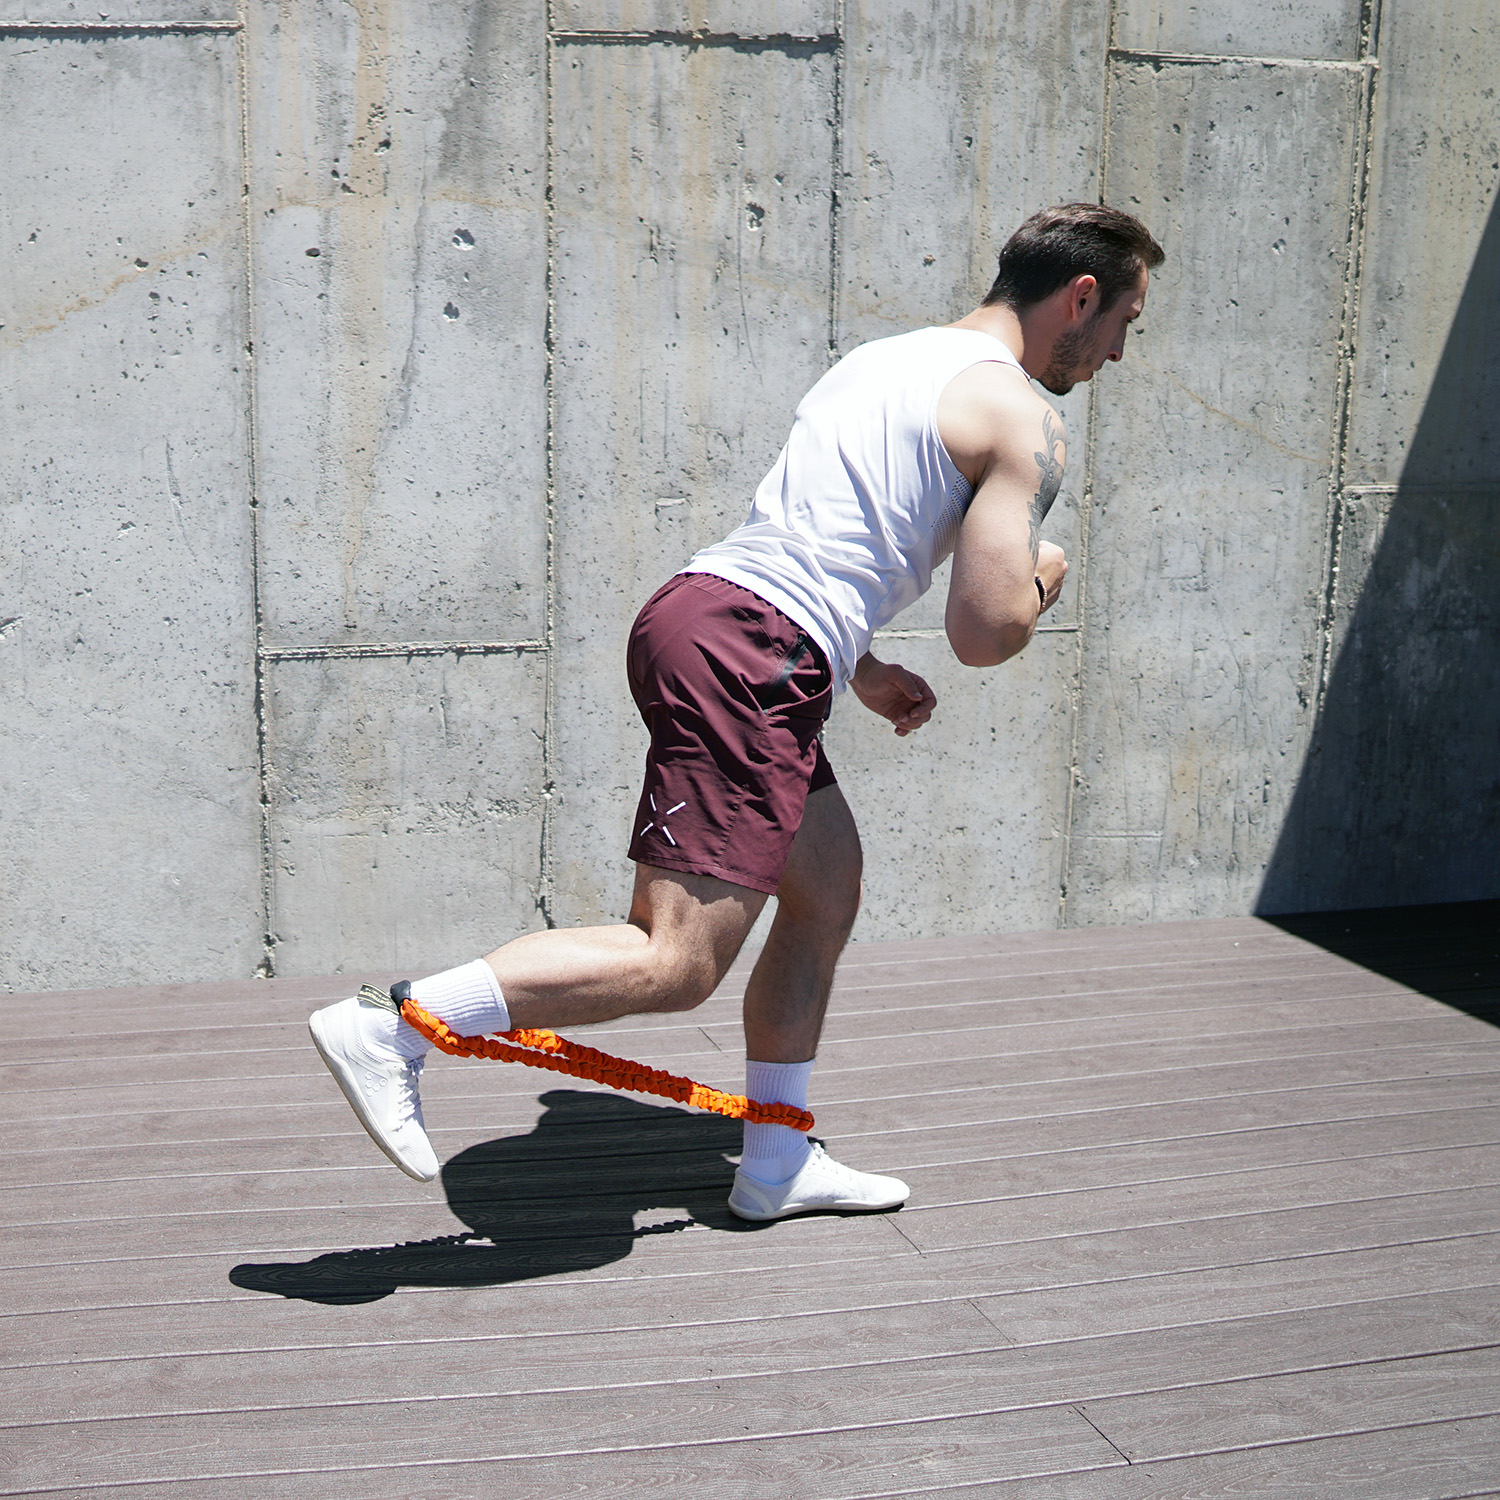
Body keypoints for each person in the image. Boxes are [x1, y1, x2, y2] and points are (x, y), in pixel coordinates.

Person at [310, 203, 1163, 1220]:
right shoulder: (1026, 416)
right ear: (1079, 296)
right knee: (676, 960)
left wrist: (861, 663)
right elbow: (986, 631)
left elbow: (829, 535)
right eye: (1124, 322)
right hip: (754, 648)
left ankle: (774, 1163)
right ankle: (397, 1024)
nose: (1118, 351)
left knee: (825, 885)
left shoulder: (887, 362)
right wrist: (1045, 574)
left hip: (726, 619)